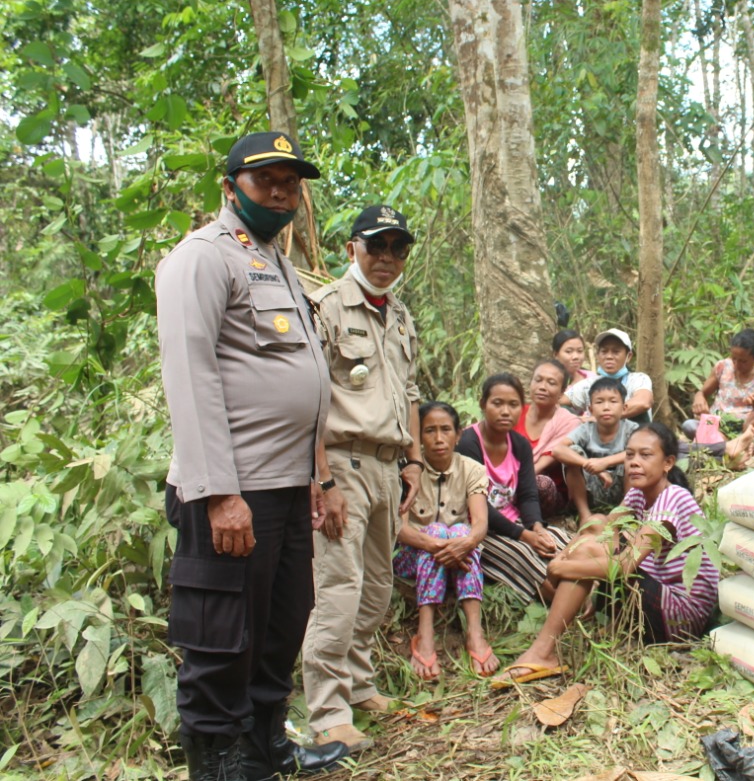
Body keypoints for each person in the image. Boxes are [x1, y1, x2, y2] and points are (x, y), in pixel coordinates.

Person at [156, 131, 348, 781]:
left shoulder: (278, 263)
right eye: (266, 178)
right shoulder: (203, 259)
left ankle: (268, 747)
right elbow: (192, 375)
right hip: (233, 490)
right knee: (222, 637)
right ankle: (221, 762)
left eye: (291, 182)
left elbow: (304, 377)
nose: (280, 191)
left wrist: (316, 476)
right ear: (231, 183)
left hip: (287, 487)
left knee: (281, 626)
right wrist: (218, 493)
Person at [301, 205, 424, 752]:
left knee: (377, 584)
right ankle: (327, 710)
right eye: (377, 246)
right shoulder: (326, 307)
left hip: (387, 465)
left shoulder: (399, 315)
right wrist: (320, 480)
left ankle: (359, 683)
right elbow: (302, 400)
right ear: (352, 247)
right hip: (342, 463)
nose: (387, 258)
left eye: (398, 249)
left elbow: (412, 394)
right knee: (339, 586)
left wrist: (414, 462)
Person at [494, 424, 720, 687]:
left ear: (668, 462)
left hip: (680, 616)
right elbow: (603, 528)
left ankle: (543, 652)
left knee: (589, 552)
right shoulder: (639, 493)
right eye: (630, 455)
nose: (634, 463)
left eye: (645, 455)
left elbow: (625, 565)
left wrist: (561, 568)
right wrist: (575, 562)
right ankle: (574, 603)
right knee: (595, 522)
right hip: (653, 592)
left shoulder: (673, 497)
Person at [395, 402, 499, 681]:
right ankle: (425, 632)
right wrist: (436, 544)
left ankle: (474, 633)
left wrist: (463, 543)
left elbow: (480, 525)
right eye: (429, 431)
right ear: (418, 437)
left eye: (445, 430)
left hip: (459, 552)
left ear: (458, 434)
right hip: (412, 556)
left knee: (460, 533)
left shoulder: (472, 469)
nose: (439, 439)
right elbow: (401, 531)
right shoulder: (406, 472)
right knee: (439, 531)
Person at [458, 374, 571, 601]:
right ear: (483, 404)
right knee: (526, 557)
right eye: (497, 403)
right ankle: (561, 600)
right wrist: (525, 536)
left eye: (513, 404)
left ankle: (579, 590)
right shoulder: (468, 442)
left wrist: (537, 528)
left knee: (560, 541)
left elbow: (528, 495)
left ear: (522, 407)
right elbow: (478, 506)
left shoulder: (519, 445)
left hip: (514, 521)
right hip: (479, 528)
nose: (505, 411)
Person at [552, 377, 640, 523]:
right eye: (599, 402)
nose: (606, 407)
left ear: (624, 407)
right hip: (591, 490)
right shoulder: (585, 430)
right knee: (572, 451)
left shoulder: (632, 429)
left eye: (613, 401)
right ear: (591, 409)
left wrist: (604, 462)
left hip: (622, 490)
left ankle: (624, 512)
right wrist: (590, 465)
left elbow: (639, 451)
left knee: (634, 457)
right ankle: (584, 514)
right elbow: (558, 450)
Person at [682, 329, 754, 448]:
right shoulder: (722, 366)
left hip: (750, 428)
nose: (737, 364)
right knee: (689, 425)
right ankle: (730, 445)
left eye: (743, 361)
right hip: (719, 426)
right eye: (734, 358)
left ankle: (734, 443)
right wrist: (699, 398)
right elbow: (702, 393)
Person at [515, 359, 582, 518]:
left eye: (551, 383)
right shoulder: (513, 413)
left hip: (544, 493)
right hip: (504, 481)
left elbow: (540, 466)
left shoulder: (568, 422)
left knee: (541, 484)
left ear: (562, 391)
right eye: (538, 380)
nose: (542, 387)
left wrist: (509, 483)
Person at [562, 329, 654, 424]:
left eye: (616, 352)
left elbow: (643, 402)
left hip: (634, 437)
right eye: (604, 351)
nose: (609, 356)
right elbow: (558, 402)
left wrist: (599, 417)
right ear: (598, 355)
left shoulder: (638, 379)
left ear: (629, 356)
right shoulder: (588, 385)